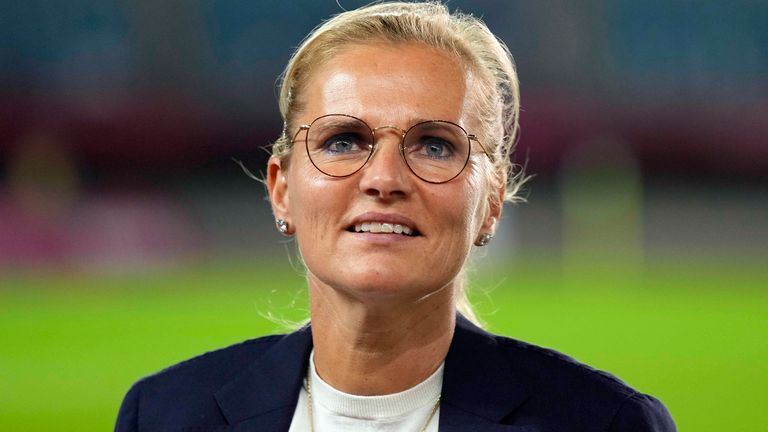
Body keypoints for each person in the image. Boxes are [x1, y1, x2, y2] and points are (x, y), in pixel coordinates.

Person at [115, 2, 676, 431]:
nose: (383, 178)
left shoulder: (606, 424)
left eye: (434, 146)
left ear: (492, 203)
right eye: (342, 141)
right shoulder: (164, 415)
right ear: (282, 190)